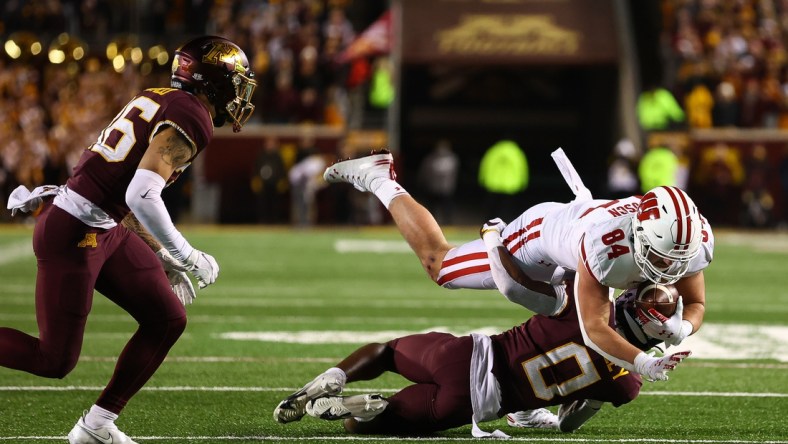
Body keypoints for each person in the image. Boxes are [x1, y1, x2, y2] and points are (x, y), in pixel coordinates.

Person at [2, 35, 257, 444]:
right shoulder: (192, 114)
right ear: (214, 82)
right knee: (53, 360)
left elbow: (126, 197)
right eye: (237, 81)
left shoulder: (162, 97)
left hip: (102, 225)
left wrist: (162, 253)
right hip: (74, 231)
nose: (240, 92)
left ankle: (96, 426)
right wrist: (186, 254)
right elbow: (140, 192)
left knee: (167, 318)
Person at [320, 149, 713, 388]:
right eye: (661, 259)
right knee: (440, 265)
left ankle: (524, 404)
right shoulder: (604, 248)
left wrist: (683, 327)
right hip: (542, 238)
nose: (668, 269)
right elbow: (594, 330)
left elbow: (695, 300)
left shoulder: (686, 240)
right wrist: (642, 362)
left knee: (568, 317)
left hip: (582, 237)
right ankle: (378, 177)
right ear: (640, 235)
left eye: (676, 260)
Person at [273, 281, 678, 437]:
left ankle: (335, 377)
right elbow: (569, 424)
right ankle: (364, 408)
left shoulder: (582, 306)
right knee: (355, 429)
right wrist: (552, 411)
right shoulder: (627, 381)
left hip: (468, 353)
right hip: (478, 403)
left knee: (387, 352)